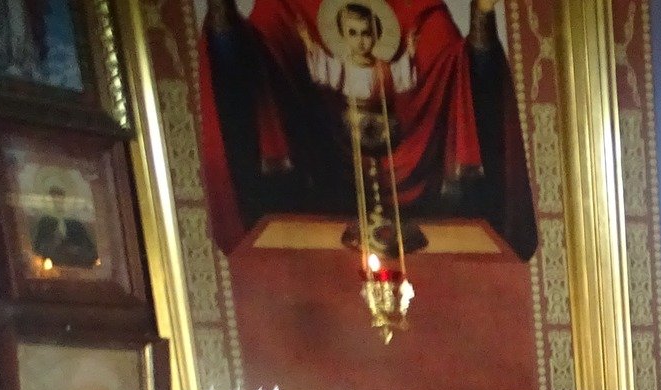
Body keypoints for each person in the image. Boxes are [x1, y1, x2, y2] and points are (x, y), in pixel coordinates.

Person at [197, 0, 536, 260]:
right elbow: (250, 61)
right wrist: (222, 12)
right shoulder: (286, 7)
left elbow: (455, 72)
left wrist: (482, 16)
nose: (361, 41)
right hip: (317, 200)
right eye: (353, 34)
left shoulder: (417, 10)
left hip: (416, 199)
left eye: (366, 34)